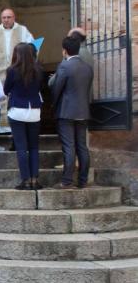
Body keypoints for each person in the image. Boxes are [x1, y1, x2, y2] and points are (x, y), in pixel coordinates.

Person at [52, 35, 94, 189]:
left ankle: (67, 180)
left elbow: (57, 88)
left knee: (69, 146)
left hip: (66, 111)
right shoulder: (87, 67)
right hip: (83, 111)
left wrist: (54, 106)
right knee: (82, 146)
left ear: (64, 51)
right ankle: (83, 181)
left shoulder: (64, 66)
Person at [4, 43, 44, 190]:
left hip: (17, 110)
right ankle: (35, 179)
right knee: (34, 147)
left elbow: (6, 89)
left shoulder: (12, 70)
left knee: (21, 148)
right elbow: (40, 87)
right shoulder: (39, 69)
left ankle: (25, 180)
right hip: (34, 110)